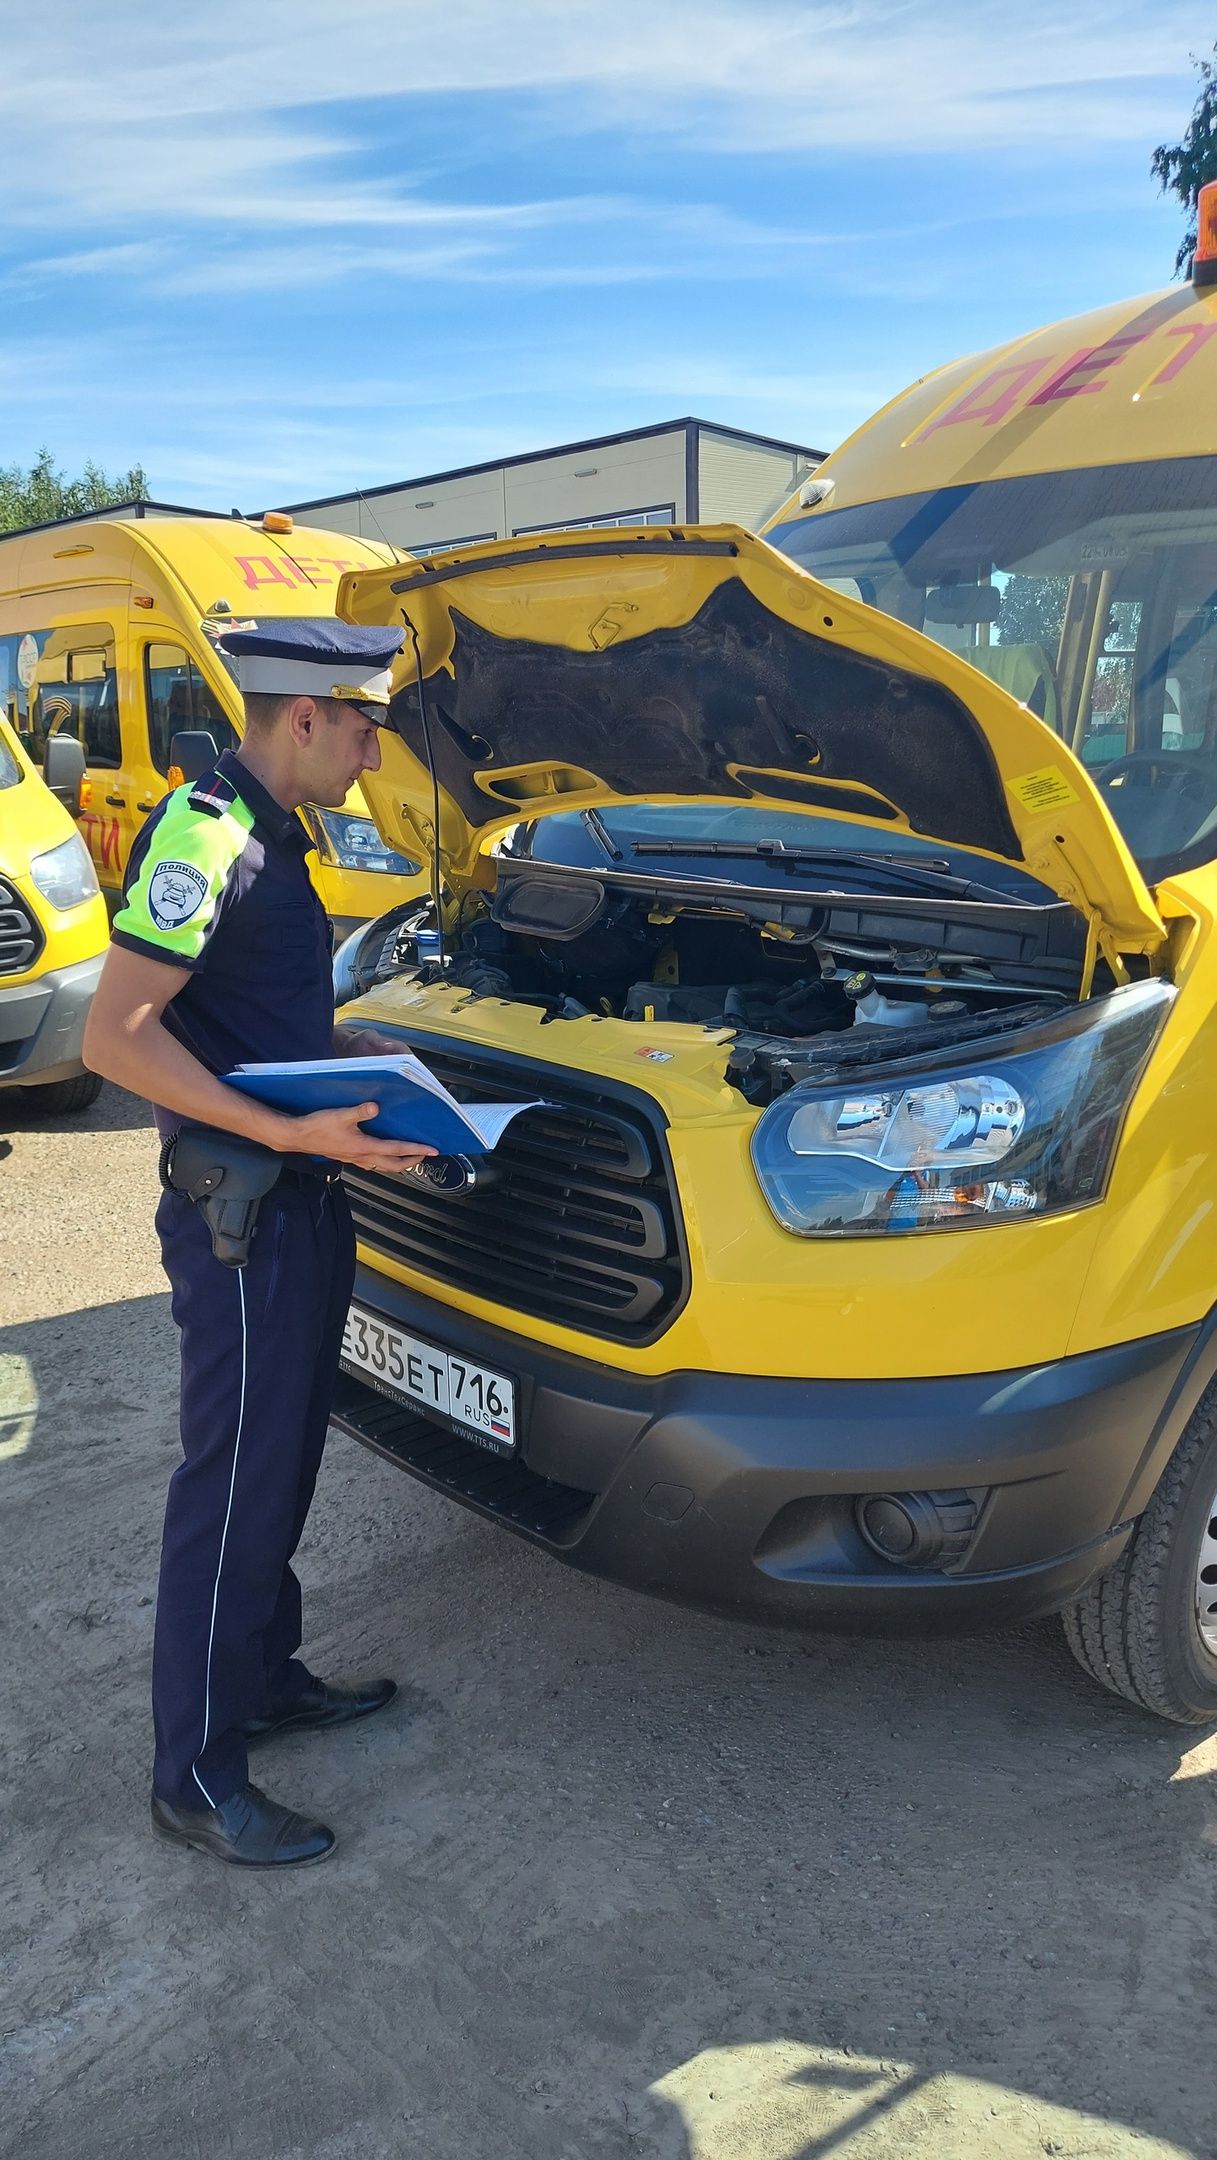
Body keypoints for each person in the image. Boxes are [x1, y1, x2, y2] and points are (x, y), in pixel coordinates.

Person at [83, 619, 436, 1869]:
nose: (371, 746)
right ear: (304, 718)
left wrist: (362, 1073)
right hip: (240, 1217)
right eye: (362, 723)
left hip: (296, 1200)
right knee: (227, 1486)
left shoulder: (279, 834)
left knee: (280, 1465)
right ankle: (192, 1771)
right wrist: (287, 1130)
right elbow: (116, 1039)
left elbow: (253, 1019)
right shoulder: (204, 836)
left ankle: (265, 1678)